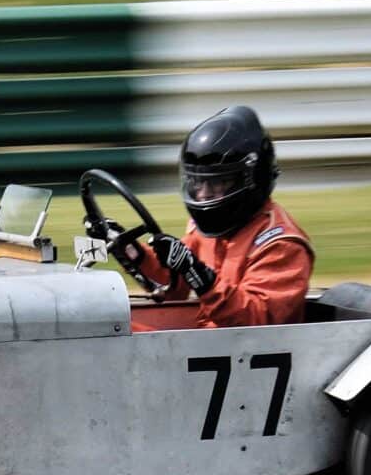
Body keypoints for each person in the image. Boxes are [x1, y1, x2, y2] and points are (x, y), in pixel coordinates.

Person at [119, 105, 313, 328]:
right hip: (208, 342)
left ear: (250, 179)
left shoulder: (281, 244)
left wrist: (203, 279)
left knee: (106, 341)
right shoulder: (208, 230)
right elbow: (175, 288)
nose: (202, 194)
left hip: (243, 349)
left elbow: (257, 320)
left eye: (217, 183)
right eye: (198, 183)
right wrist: (133, 253)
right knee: (100, 327)